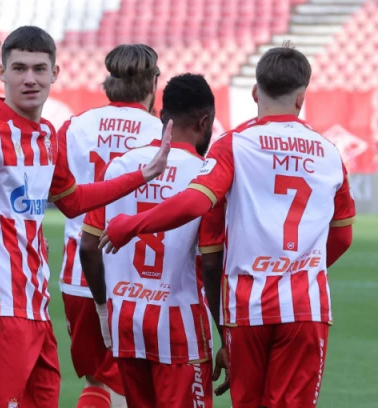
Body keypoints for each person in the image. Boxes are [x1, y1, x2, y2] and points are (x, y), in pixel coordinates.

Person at [100, 44, 356, 408]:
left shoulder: (233, 145)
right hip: (304, 304)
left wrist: (133, 225)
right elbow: (342, 235)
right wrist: (300, 269)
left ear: (255, 93)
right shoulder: (330, 153)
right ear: (301, 98)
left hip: (247, 305)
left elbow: (195, 202)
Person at [0, 26, 171, 408]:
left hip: (36, 307)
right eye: (19, 69)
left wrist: (142, 175)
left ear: (55, 73)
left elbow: (74, 201)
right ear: (2, 73)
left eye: (39, 69)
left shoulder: (47, 135)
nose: (30, 79)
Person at [80, 73, 225, 408]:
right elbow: (212, 264)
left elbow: (88, 247)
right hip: (180, 326)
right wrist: (225, 335)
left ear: (162, 117)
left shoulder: (121, 166)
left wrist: (103, 309)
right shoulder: (205, 176)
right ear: (204, 122)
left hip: (126, 320)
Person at [58, 43, 163, 408]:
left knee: (97, 379)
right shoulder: (160, 134)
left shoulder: (74, 126)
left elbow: (58, 193)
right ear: (153, 84)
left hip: (78, 273)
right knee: (128, 384)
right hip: (136, 278)